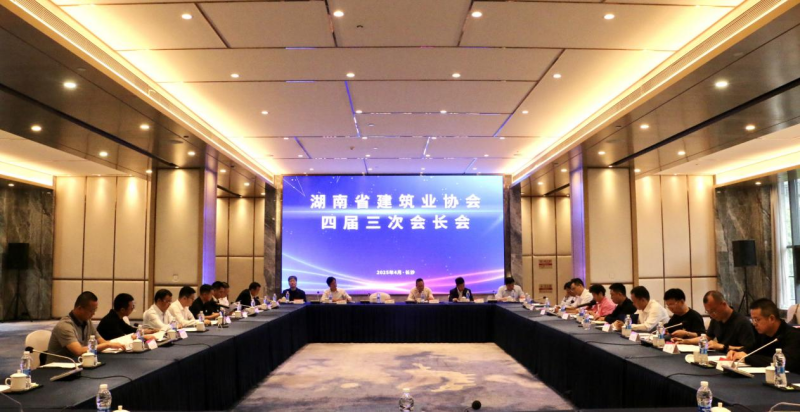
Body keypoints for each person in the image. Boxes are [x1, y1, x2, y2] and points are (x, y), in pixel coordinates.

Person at [46, 292, 125, 363]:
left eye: (95, 310)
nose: (93, 314)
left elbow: (102, 341)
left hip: (79, 363)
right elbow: (78, 351)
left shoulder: (87, 321)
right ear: (80, 308)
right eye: (91, 311)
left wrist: (122, 344)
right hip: (58, 368)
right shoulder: (64, 326)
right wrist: (107, 345)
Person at [727, 298, 800, 371]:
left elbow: (784, 363)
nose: (754, 324)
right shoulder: (763, 334)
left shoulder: (794, 336)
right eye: (752, 320)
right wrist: (737, 352)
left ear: (771, 318)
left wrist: (747, 358)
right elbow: (751, 349)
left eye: (757, 320)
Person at [672, 291, 755, 352]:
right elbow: (706, 338)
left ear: (724, 304)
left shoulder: (742, 322)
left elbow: (750, 350)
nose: (712, 315)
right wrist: (685, 341)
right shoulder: (716, 319)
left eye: (713, 311)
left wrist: (723, 346)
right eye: (708, 312)